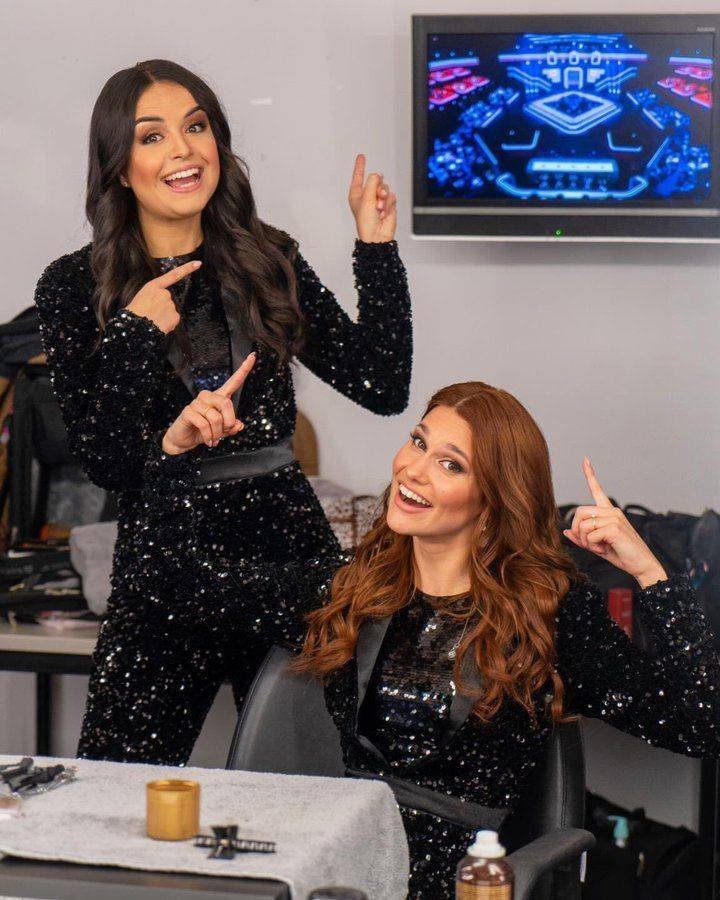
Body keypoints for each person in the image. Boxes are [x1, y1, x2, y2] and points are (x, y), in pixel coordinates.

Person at [129, 378, 720, 898]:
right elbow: (167, 583)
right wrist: (174, 456)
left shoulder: (547, 615)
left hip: (464, 883)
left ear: (494, 499)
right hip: (345, 867)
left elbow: (699, 723)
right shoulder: (351, 588)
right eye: (418, 442)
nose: (413, 470)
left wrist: (650, 574)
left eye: (450, 464)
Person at [33, 59, 412, 764]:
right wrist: (135, 337)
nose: (183, 150)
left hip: (287, 556)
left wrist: (376, 247)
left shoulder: (268, 257)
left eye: (197, 126)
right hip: (167, 563)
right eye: (152, 136)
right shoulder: (72, 286)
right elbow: (106, 462)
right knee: (118, 784)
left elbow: (382, 384)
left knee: (308, 786)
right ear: (119, 168)